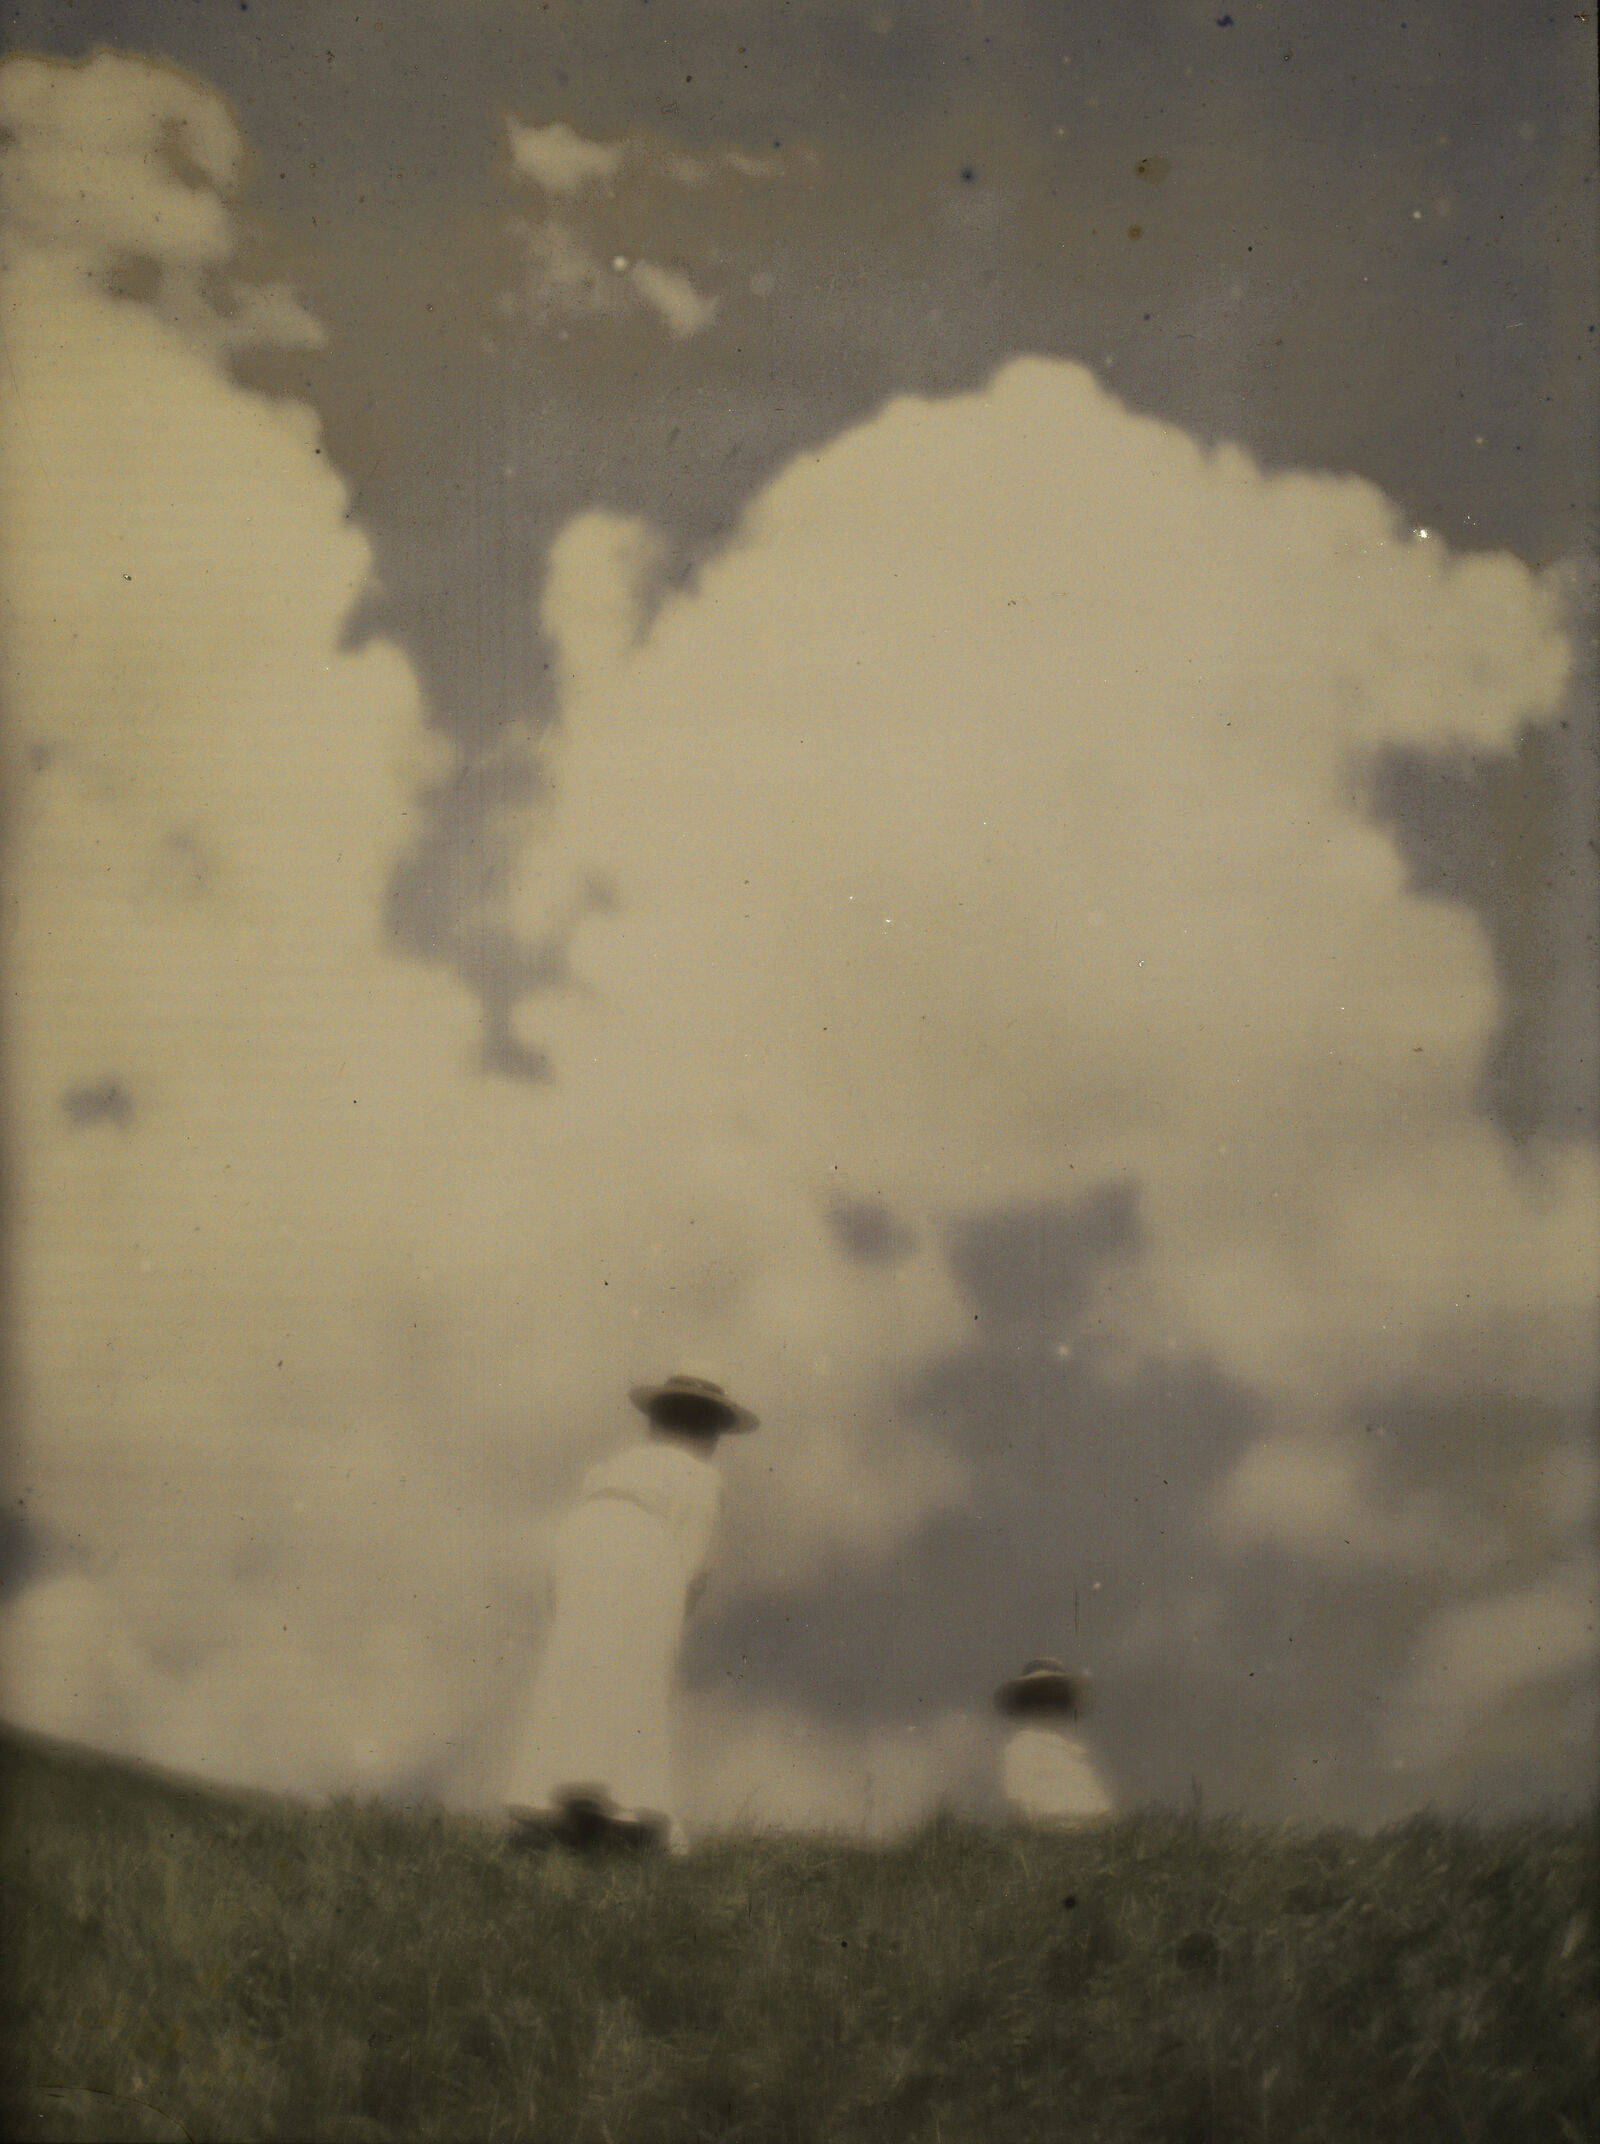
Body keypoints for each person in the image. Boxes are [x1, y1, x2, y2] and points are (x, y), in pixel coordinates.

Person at [504, 1372, 759, 1853]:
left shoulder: (615, 1466)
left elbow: (575, 1541)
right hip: (643, 1542)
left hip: (581, 1539)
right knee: (637, 1671)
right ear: (707, 1433)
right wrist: (673, 1619)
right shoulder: (702, 1476)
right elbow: (692, 1563)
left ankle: (557, 1801)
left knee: (576, 1661)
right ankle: (630, 1811)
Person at [994, 1658, 1115, 1828]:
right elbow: (1019, 1791)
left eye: (1056, 1701)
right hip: (1051, 1822)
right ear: (1027, 1708)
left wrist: (1102, 1814)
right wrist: (1035, 1819)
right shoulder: (1024, 1744)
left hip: (1088, 1824)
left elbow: (1092, 1790)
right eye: (1040, 1701)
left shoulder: (1072, 1749)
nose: (1049, 1708)